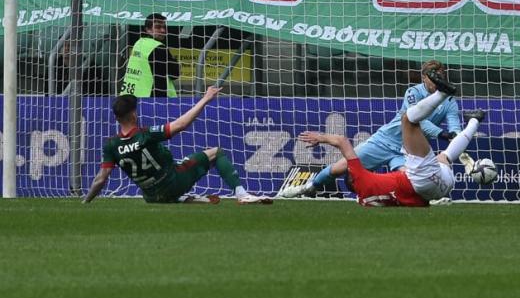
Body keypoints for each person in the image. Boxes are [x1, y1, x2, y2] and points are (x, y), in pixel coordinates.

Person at [298, 70, 485, 207]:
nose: (435, 80)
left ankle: (473, 120)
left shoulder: (364, 199)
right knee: (409, 120)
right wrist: (443, 134)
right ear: (424, 78)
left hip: (415, 162)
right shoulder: (413, 92)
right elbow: (418, 122)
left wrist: (453, 133)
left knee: (425, 163)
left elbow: (453, 124)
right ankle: (309, 188)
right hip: (384, 142)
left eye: (439, 78)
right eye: (432, 78)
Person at [84, 87, 271, 204]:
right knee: (216, 153)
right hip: (173, 182)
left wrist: (86, 201)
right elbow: (181, 125)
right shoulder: (146, 135)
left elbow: (101, 179)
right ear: (134, 115)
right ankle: (242, 194)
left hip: (149, 196)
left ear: (116, 117)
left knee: (169, 175)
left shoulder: (111, 145)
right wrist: (205, 99)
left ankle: (183, 200)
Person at [121, 13, 180, 98]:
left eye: (164, 27)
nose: (163, 30)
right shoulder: (158, 47)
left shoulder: (138, 43)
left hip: (132, 96)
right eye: (158, 27)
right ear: (147, 29)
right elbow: (174, 74)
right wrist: (176, 62)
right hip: (153, 98)